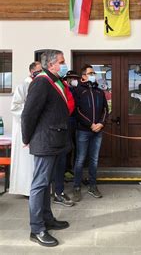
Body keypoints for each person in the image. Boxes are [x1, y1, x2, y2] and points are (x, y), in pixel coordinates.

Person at [22, 50, 75, 247]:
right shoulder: (42, 82)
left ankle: (47, 219)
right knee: (39, 185)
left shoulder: (54, 81)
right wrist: (27, 137)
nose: (64, 64)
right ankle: (37, 229)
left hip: (54, 139)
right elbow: (29, 113)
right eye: (61, 62)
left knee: (46, 184)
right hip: (45, 140)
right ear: (51, 64)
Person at [72, 64, 108, 202]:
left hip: (98, 131)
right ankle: (76, 187)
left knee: (94, 160)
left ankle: (93, 186)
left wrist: (101, 123)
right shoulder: (78, 91)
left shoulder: (99, 91)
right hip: (83, 131)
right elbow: (77, 110)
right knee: (80, 160)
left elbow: (105, 109)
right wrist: (90, 124)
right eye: (91, 73)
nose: (94, 75)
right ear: (84, 76)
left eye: (94, 73)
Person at [9, 61, 42, 196]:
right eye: (38, 70)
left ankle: (35, 188)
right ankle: (26, 189)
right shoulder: (23, 86)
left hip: (37, 126)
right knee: (26, 162)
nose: (40, 73)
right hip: (25, 126)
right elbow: (15, 107)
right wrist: (31, 111)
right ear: (31, 71)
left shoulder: (40, 85)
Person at [52, 70, 82, 207]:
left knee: (69, 152)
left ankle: (60, 189)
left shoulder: (68, 88)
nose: (74, 81)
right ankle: (57, 191)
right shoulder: (55, 86)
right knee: (60, 157)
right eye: (72, 78)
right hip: (59, 127)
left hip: (71, 124)